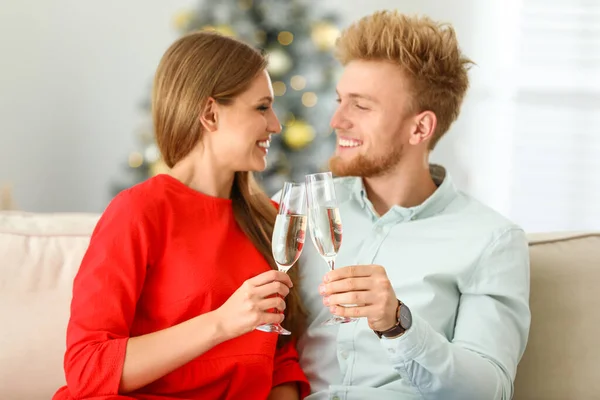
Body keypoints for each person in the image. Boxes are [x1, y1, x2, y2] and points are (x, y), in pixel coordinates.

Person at [53, 31, 310, 400]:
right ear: (210, 114)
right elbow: (88, 368)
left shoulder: (270, 219)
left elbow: (280, 359)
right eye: (261, 107)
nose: (275, 124)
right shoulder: (139, 211)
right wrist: (221, 322)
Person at [291, 11, 531, 400]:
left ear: (420, 128)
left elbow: (489, 389)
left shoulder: (491, 240)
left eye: (361, 106)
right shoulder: (302, 210)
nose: (336, 120)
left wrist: (398, 324)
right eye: (340, 101)